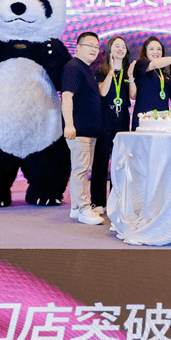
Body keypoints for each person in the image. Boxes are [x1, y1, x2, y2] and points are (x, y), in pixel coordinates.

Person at [61, 32, 105, 225]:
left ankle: (75, 208)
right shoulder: (73, 67)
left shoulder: (85, 68)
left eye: (96, 46)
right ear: (78, 47)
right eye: (90, 45)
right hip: (79, 130)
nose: (94, 49)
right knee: (81, 170)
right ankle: (83, 208)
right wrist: (69, 124)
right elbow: (67, 96)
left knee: (82, 168)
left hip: (89, 130)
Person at [90, 36, 131, 209]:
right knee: (101, 160)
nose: (120, 49)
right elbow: (103, 92)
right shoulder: (101, 70)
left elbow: (132, 95)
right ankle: (98, 202)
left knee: (120, 162)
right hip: (105, 118)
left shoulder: (128, 72)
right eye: (116, 46)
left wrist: (131, 77)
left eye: (123, 46)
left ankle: (116, 202)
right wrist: (111, 72)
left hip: (122, 119)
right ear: (110, 50)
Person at [127, 37, 171, 131]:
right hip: (143, 121)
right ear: (145, 51)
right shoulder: (141, 64)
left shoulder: (164, 74)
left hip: (162, 122)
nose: (156, 52)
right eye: (151, 49)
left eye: (159, 49)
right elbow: (154, 64)